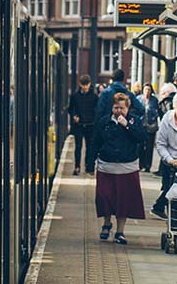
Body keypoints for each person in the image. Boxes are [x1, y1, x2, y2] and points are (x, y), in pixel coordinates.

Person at [93, 93, 148, 244]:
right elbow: (96, 141)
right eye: (116, 107)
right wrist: (89, 162)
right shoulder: (104, 121)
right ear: (112, 107)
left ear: (127, 108)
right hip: (106, 166)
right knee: (105, 197)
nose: (118, 111)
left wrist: (127, 126)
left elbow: (142, 137)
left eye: (122, 108)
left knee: (123, 201)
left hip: (127, 167)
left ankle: (120, 231)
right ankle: (106, 223)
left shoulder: (134, 121)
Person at [68, 75, 99, 175]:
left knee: (89, 147)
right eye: (83, 85)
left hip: (90, 124)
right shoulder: (75, 96)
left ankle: (87, 165)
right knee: (78, 146)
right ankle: (77, 166)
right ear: (80, 85)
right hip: (79, 125)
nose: (85, 87)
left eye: (87, 85)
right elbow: (70, 108)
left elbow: (97, 110)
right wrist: (74, 116)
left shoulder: (94, 97)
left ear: (89, 84)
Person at [139, 84, 161, 172]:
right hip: (141, 125)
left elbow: (158, 111)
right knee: (140, 146)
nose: (147, 92)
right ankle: (141, 164)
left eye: (149, 90)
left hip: (151, 126)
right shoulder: (138, 99)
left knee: (149, 146)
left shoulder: (154, 100)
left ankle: (148, 165)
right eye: (145, 90)